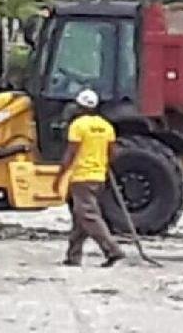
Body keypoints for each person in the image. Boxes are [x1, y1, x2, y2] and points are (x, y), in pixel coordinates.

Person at [53, 88, 125, 267]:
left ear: (80, 106)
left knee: (89, 216)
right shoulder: (106, 126)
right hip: (98, 177)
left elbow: (71, 153)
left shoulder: (78, 125)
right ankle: (73, 256)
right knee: (80, 218)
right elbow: (113, 153)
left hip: (82, 177)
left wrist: (59, 176)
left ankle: (112, 250)